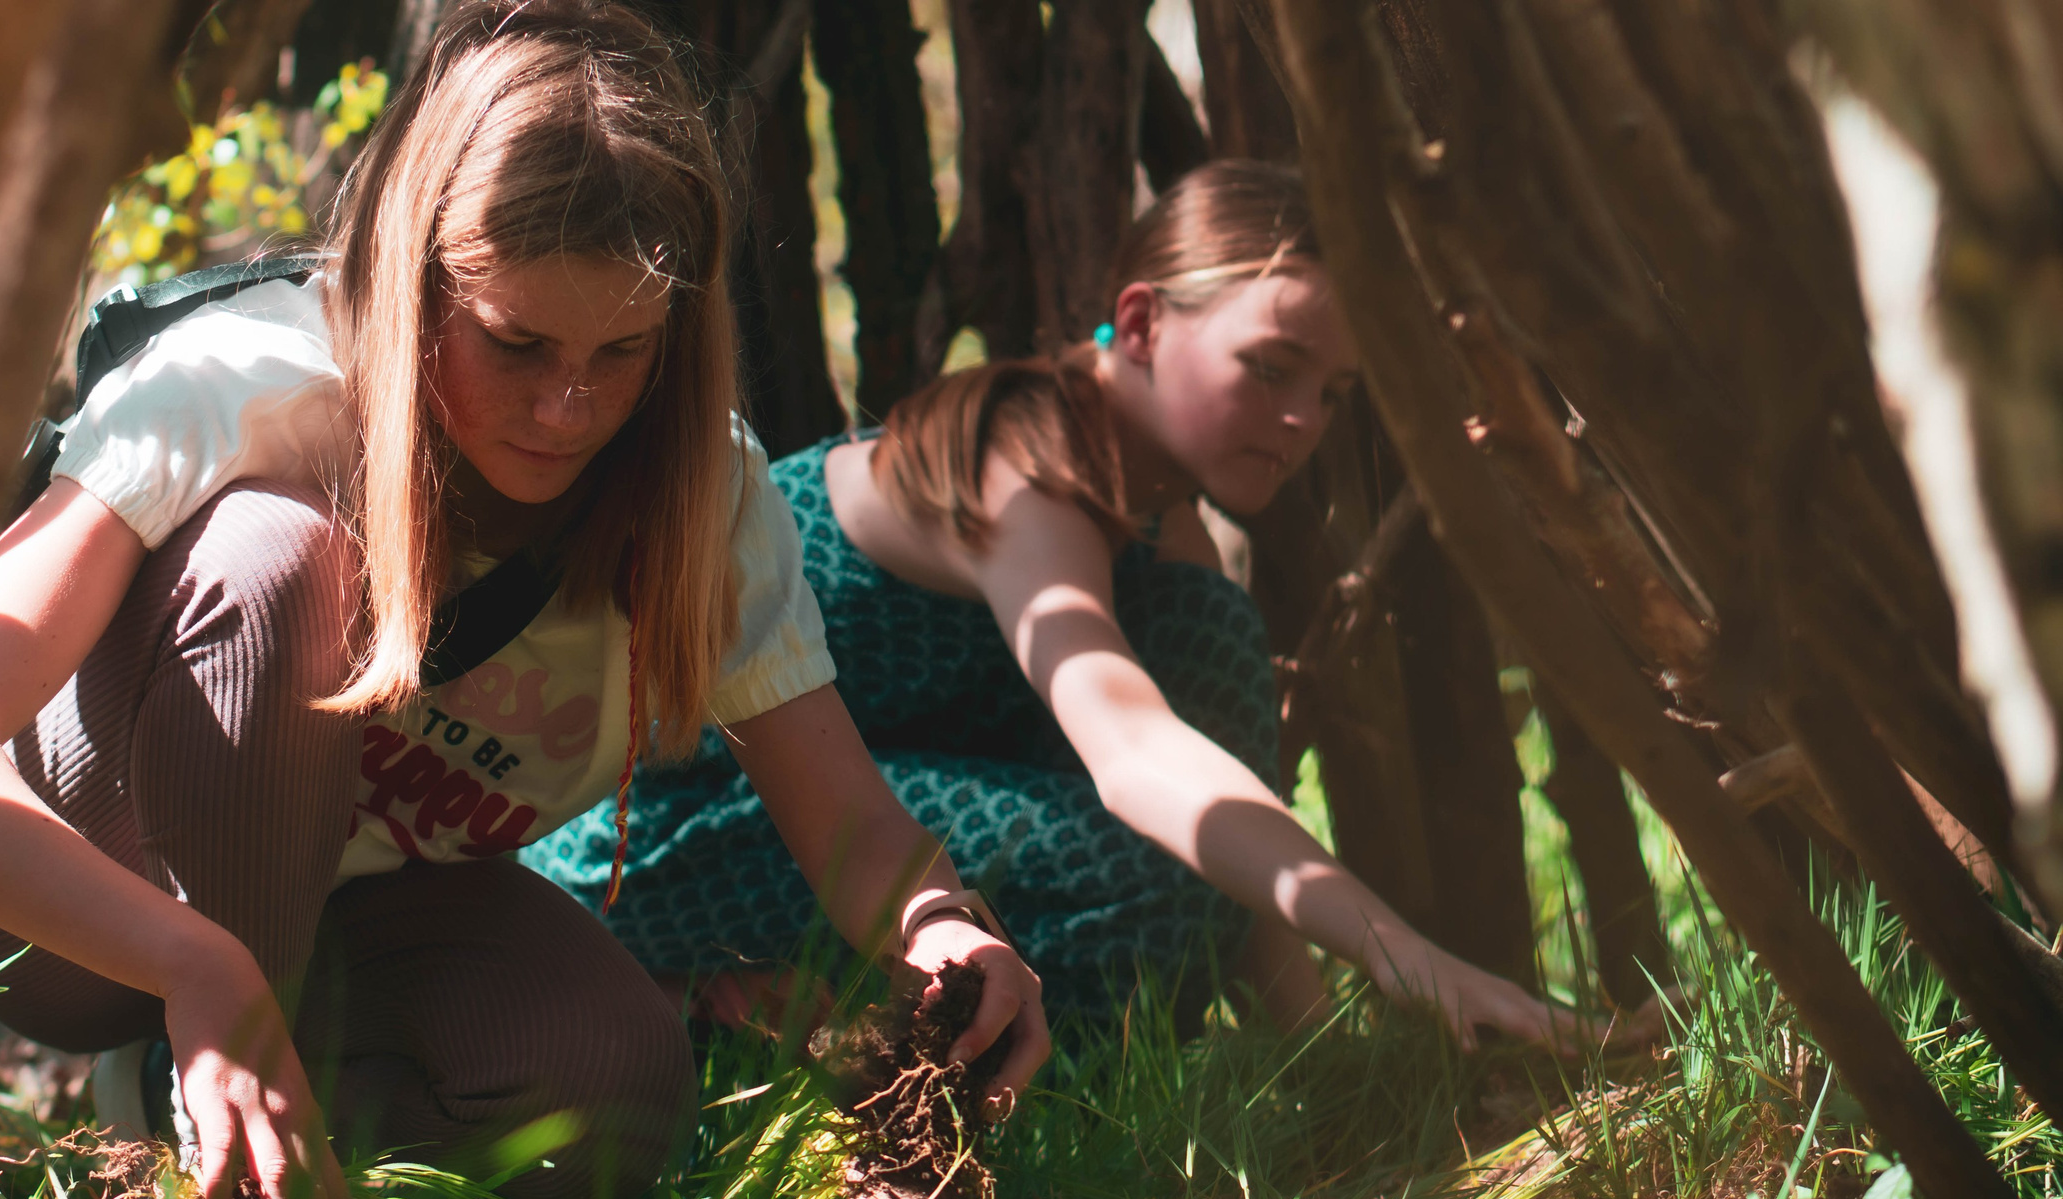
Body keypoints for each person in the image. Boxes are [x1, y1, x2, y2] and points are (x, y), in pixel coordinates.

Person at [0, 0, 1047, 1199]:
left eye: (622, 351)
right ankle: (225, 1195)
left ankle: (189, 1119)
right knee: (286, 562)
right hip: (73, 894)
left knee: (616, 1098)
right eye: (516, 342)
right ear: (414, 279)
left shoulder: (702, 499)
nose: (568, 406)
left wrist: (943, 927)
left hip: (346, 915)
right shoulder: (250, 385)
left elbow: (850, 825)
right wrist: (199, 969)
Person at [528, 161, 1578, 1045]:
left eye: (1333, 392)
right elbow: (1134, 757)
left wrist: (1315, 1048)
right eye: (1270, 367)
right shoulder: (1027, 466)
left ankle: (905, 1027)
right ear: (1142, 322)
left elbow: (1214, 775)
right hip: (674, 829)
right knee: (1148, 869)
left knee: (1211, 646)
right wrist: (1405, 954)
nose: (1302, 418)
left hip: (875, 829)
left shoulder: (1168, 534)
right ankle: (743, 1019)